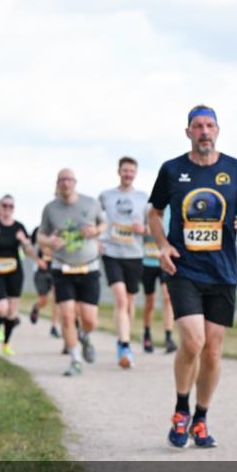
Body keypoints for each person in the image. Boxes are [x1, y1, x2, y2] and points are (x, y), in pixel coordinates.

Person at [148, 104, 237, 449]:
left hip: (223, 272)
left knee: (213, 350)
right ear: (188, 132)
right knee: (193, 340)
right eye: (197, 126)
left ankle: (200, 417)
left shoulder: (234, 169)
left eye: (209, 125)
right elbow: (154, 213)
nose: (203, 131)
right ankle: (181, 409)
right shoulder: (172, 170)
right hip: (183, 269)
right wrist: (163, 245)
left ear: (217, 131)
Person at [38, 168, 106, 376]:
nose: (66, 183)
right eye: (62, 180)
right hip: (62, 266)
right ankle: (75, 359)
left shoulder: (91, 203)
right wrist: (49, 241)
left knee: (89, 319)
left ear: (75, 182)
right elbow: (41, 235)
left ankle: (85, 337)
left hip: (89, 266)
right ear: (57, 183)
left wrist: (95, 231)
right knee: (67, 316)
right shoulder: (50, 208)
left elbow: (104, 224)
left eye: (69, 180)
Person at [99, 156, 149, 368]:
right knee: (120, 300)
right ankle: (125, 345)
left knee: (129, 302)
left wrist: (143, 230)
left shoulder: (143, 198)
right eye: (125, 170)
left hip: (134, 254)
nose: (128, 174)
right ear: (118, 171)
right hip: (112, 252)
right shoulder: (106, 196)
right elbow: (96, 220)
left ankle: (123, 334)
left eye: (132, 171)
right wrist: (98, 240)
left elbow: (152, 228)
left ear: (135, 174)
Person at [0, 196, 36, 356]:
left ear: (14, 208)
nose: (7, 208)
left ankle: (6, 344)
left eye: (11, 206)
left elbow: (30, 251)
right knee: (1, 308)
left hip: (15, 272)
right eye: (4, 205)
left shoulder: (19, 227)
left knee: (12, 312)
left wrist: (24, 241)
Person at [141, 207, 177, 354]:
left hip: (165, 262)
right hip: (148, 262)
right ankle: (147, 333)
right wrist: (146, 230)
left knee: (168, 297)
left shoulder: (172, 209)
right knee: (150, 301)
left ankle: (168, 337)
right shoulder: (148, 211)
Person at [29, 226, 61, 338]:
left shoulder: (60, 230)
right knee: (44, 300)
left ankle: (54, 327)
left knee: (57, 298)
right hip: (41, 271)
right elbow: (29, 248)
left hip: (56, 269)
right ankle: (36, 307)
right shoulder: (38, 230)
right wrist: (38, 260)